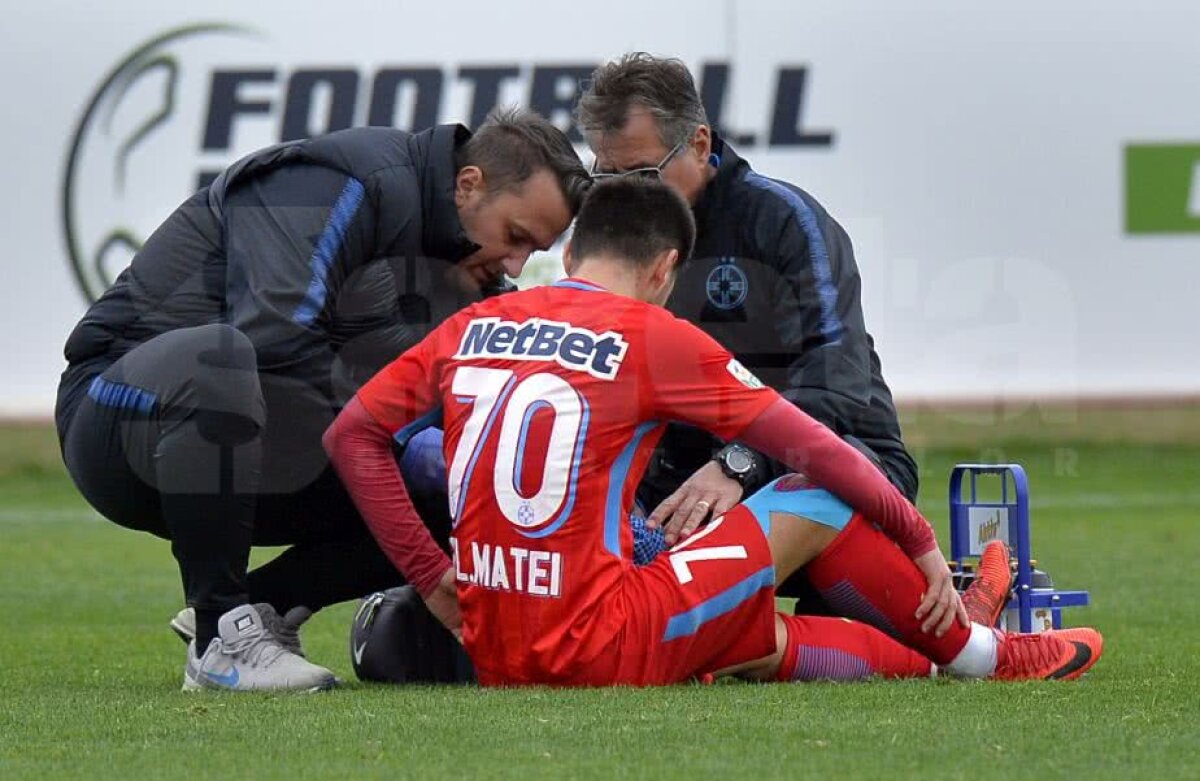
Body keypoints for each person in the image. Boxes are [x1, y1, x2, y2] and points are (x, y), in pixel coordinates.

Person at [324, 177, 1103, 687]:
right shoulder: (649, 334)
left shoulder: (477, 323)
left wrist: (433, 576)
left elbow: (352, 437)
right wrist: (921, 539)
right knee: (813, 493)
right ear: (664, 269)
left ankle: (941, 657)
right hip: (601, 640)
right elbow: (817, 448)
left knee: (750, 633)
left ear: (569, 251)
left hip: (496, 646)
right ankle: (980, 651)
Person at [55, 108, 591, 691]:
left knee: (466, 487)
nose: (515, 264)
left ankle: (263, 608)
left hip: (261, 446)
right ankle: (220, 638)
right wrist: (398, 439)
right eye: (515, 236)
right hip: (119, 414)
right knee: (220, 360)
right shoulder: (337, 180)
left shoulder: (466, 270)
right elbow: (276, 341)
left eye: (532, 250)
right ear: (468, 184)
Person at [575, 54, 917, 559]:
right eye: (609, 179)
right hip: (689, 476)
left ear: (699, 145)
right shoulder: (617, 237)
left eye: (643, 175)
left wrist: (741, 462)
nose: (626, 198)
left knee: (795, 498)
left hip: (830, 461)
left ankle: (961, 613)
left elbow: (836, 381)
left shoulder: (784, 220)